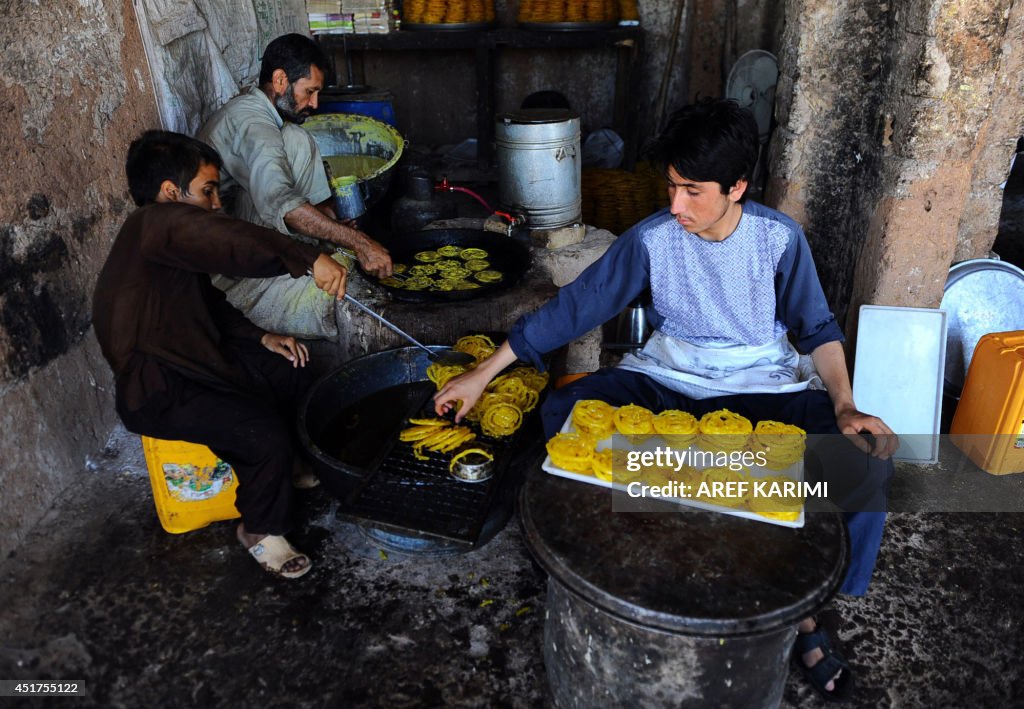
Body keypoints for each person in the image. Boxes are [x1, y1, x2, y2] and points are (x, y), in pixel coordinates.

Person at [435, 98, 897, 701]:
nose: (676, 206)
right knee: (562, 413)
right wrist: (485, 374)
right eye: (671, 187)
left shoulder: (778, 240)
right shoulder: (652, 238)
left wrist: (844, 405)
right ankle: (616, 559)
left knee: (864, 464)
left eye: (693, 191)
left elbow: (818, 331)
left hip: (760, 384)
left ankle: (805, 612)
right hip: (669, 377)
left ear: (737, 186)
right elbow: (578, 307)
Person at [93, 130, 350, 579]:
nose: (216, 205)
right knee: (260, 431)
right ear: (171, 193)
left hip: (200, 360)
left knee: (291, 368)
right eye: (208, 191)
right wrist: (308, 259)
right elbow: (230, 239)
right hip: (159, 387)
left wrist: (260, 336)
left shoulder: (162, 242)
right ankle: (259, 529)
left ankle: (285, 465)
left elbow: (207, 303)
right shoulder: (153, 223)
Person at [198, 33, 392, 338]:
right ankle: (285, 279)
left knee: (297, 139)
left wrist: (328, 219)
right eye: (309, 91)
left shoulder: (266, 116)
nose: (314, 103)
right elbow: (284, 207)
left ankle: (314, 245)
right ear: (279, 80)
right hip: (227, 271)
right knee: (331, 297)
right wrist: (359, 242)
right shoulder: (254, 126)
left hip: (247, 231)